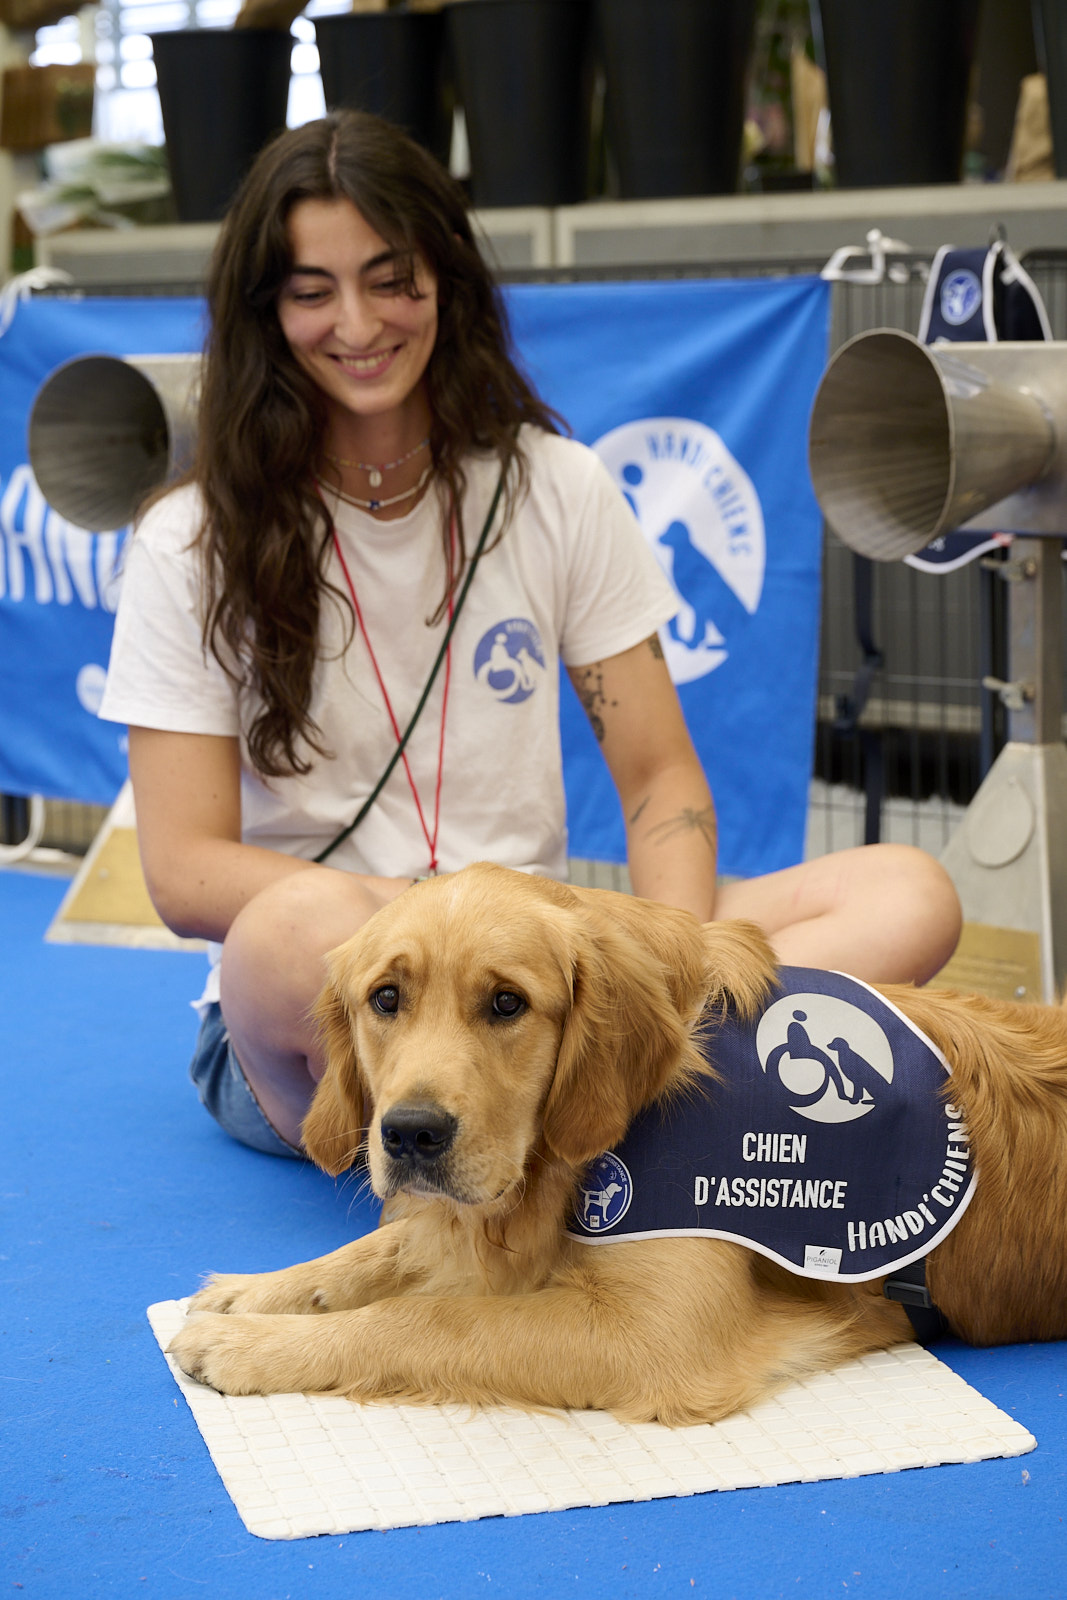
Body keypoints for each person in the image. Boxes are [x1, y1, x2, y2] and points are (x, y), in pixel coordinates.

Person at [99, 111, 961, 1158]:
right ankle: (645, 1113)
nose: (358, 322)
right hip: (335, 995)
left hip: (536, 979)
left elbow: (657, 781)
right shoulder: (189, 536)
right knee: (281, 935)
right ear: (264, 311)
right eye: (311, 290)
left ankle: (634, 1073)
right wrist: (426, 913)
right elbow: (185, 873)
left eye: (390, 278)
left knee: (904, 894)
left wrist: (664, 962)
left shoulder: (554, 483)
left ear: (446, 281)